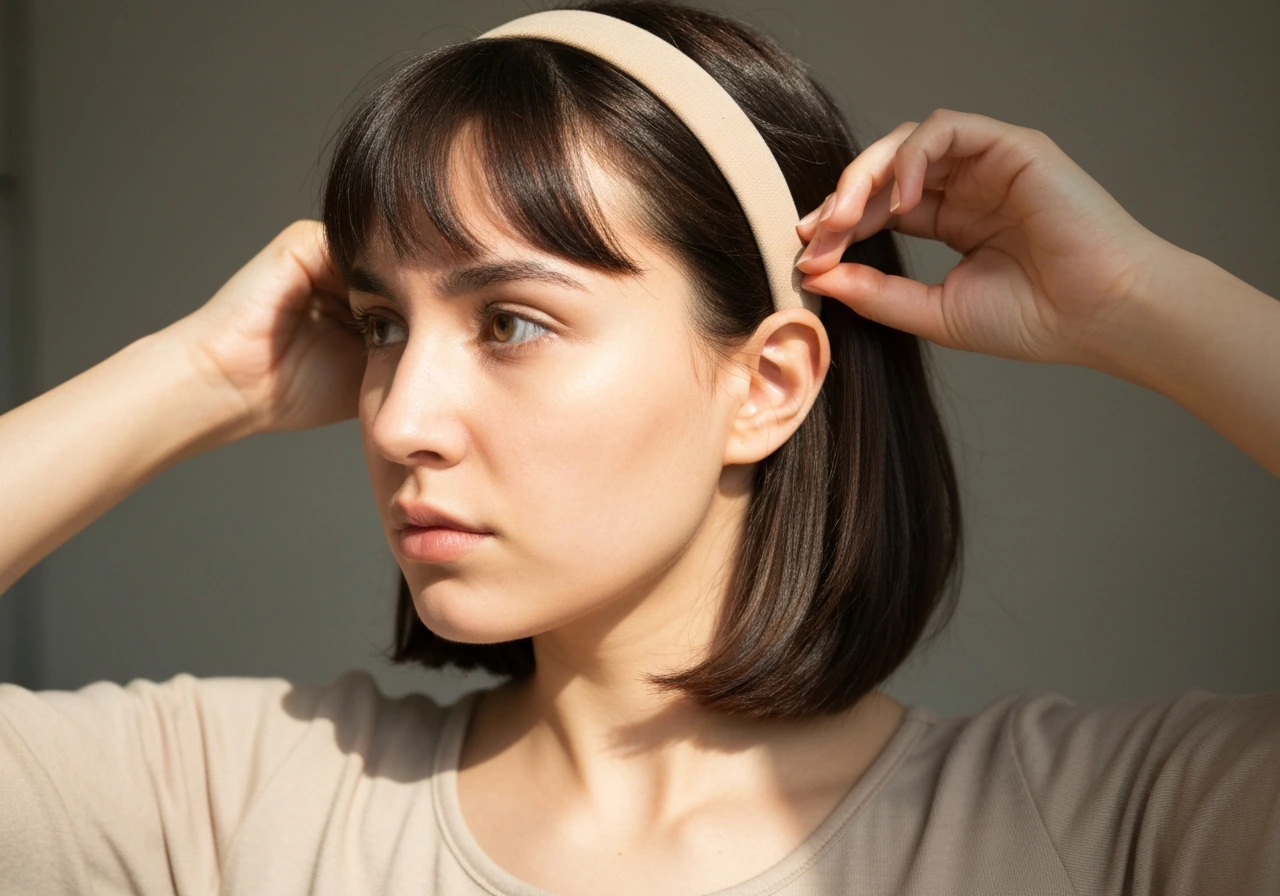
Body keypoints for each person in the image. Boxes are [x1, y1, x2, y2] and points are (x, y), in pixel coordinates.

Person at [1, 1, 1277, 893]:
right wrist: (201, 373)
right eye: (385, 325)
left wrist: (1139, 300)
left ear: (766, 384)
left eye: (510, 320)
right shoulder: (234, 803)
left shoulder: (1111, 824)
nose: (393, 418)